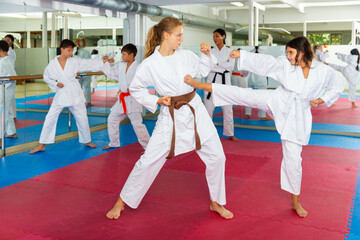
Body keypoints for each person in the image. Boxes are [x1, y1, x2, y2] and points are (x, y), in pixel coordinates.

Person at [184, 36, 343, 218]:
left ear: (303, 51)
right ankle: (199, 85)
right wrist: (242, 55)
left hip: (298, 115)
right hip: (279, 99)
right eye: (287, 53)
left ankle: (295, 201)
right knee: (244, 95)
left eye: (291, 53)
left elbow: (336, 88)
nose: (288, 56)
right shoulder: (285, 64)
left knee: (294, 160)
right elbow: (267, 63)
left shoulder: (323, 71)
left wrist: (322, 99)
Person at [106, 16, 233, 220]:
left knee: (218, 156)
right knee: (148, 161)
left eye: (182, 35)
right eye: (179, 35)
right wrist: (156, 101)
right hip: (170, 116)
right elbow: (136, 89)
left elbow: (201, 70)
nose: (181, 39)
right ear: (166, 36)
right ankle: (121, 202)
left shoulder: (186, 55)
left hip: (195, 110)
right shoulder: (150, 64)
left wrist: (206, 54)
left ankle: (216, 202)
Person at [29, 39, 105, 154]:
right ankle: (42, 144)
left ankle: (87, 140)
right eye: (68, 50)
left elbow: (88, 63)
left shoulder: (74, 61)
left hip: (74, 93)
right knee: (50, 117)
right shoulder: (53, 64)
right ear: (62, 49)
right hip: (62, 93)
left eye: (72, 50)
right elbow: (46, 76)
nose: (70, 53)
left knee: (82, 117)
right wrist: (56, 84)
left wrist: (101, 61)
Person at [101, 43, 150, 150]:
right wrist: (105, 64)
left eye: (124, 54)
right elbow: (113, 74)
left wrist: (134, 88)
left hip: (133, 99)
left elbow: (144, 81)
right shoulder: (121, 65)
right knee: (112, 119)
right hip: (122, 99)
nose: (122, 57)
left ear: (131, 55)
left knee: (137, 124)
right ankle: (114, 143)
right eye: (122, 54)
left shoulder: (139, 67)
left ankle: (148, 147)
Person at [204, 28, 238, 141]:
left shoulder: (230, 51)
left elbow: (230, 67)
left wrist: (217, 64)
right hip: (211, 81)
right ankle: (206, 135)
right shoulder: (211, 52)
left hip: (225, 82)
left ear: (223, 37)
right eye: (214, 36)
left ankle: (230, 133)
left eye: (217, 36)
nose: (215, 39)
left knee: (228, 109)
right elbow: (210, 66)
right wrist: (222, 65)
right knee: (208, 108)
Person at [245, 46, 271, 120]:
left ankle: (247, 114)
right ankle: (262, 116)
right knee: (262, 98)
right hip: (261, 79)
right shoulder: (265, 53)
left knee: (249, 97)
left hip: (251, 78)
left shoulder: (250, 53)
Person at [0, 40, 17, 142]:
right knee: (7, 112)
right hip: (4, 88)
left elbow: (13, 77)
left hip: (5, 89)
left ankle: (0, 138)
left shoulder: (5, 61)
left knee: (3, 113)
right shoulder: (3, 60)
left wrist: (3, 86)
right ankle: (11, 132)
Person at [3, 34, 17, 121]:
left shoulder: (11, 53)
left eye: (8, 40)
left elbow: (8, 64)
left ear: (12, 42)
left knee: (10, 97)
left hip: (9, 76)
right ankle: (7, 115)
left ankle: (13, 115)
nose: (6, 41)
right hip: (3, 76)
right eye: (5, 40)